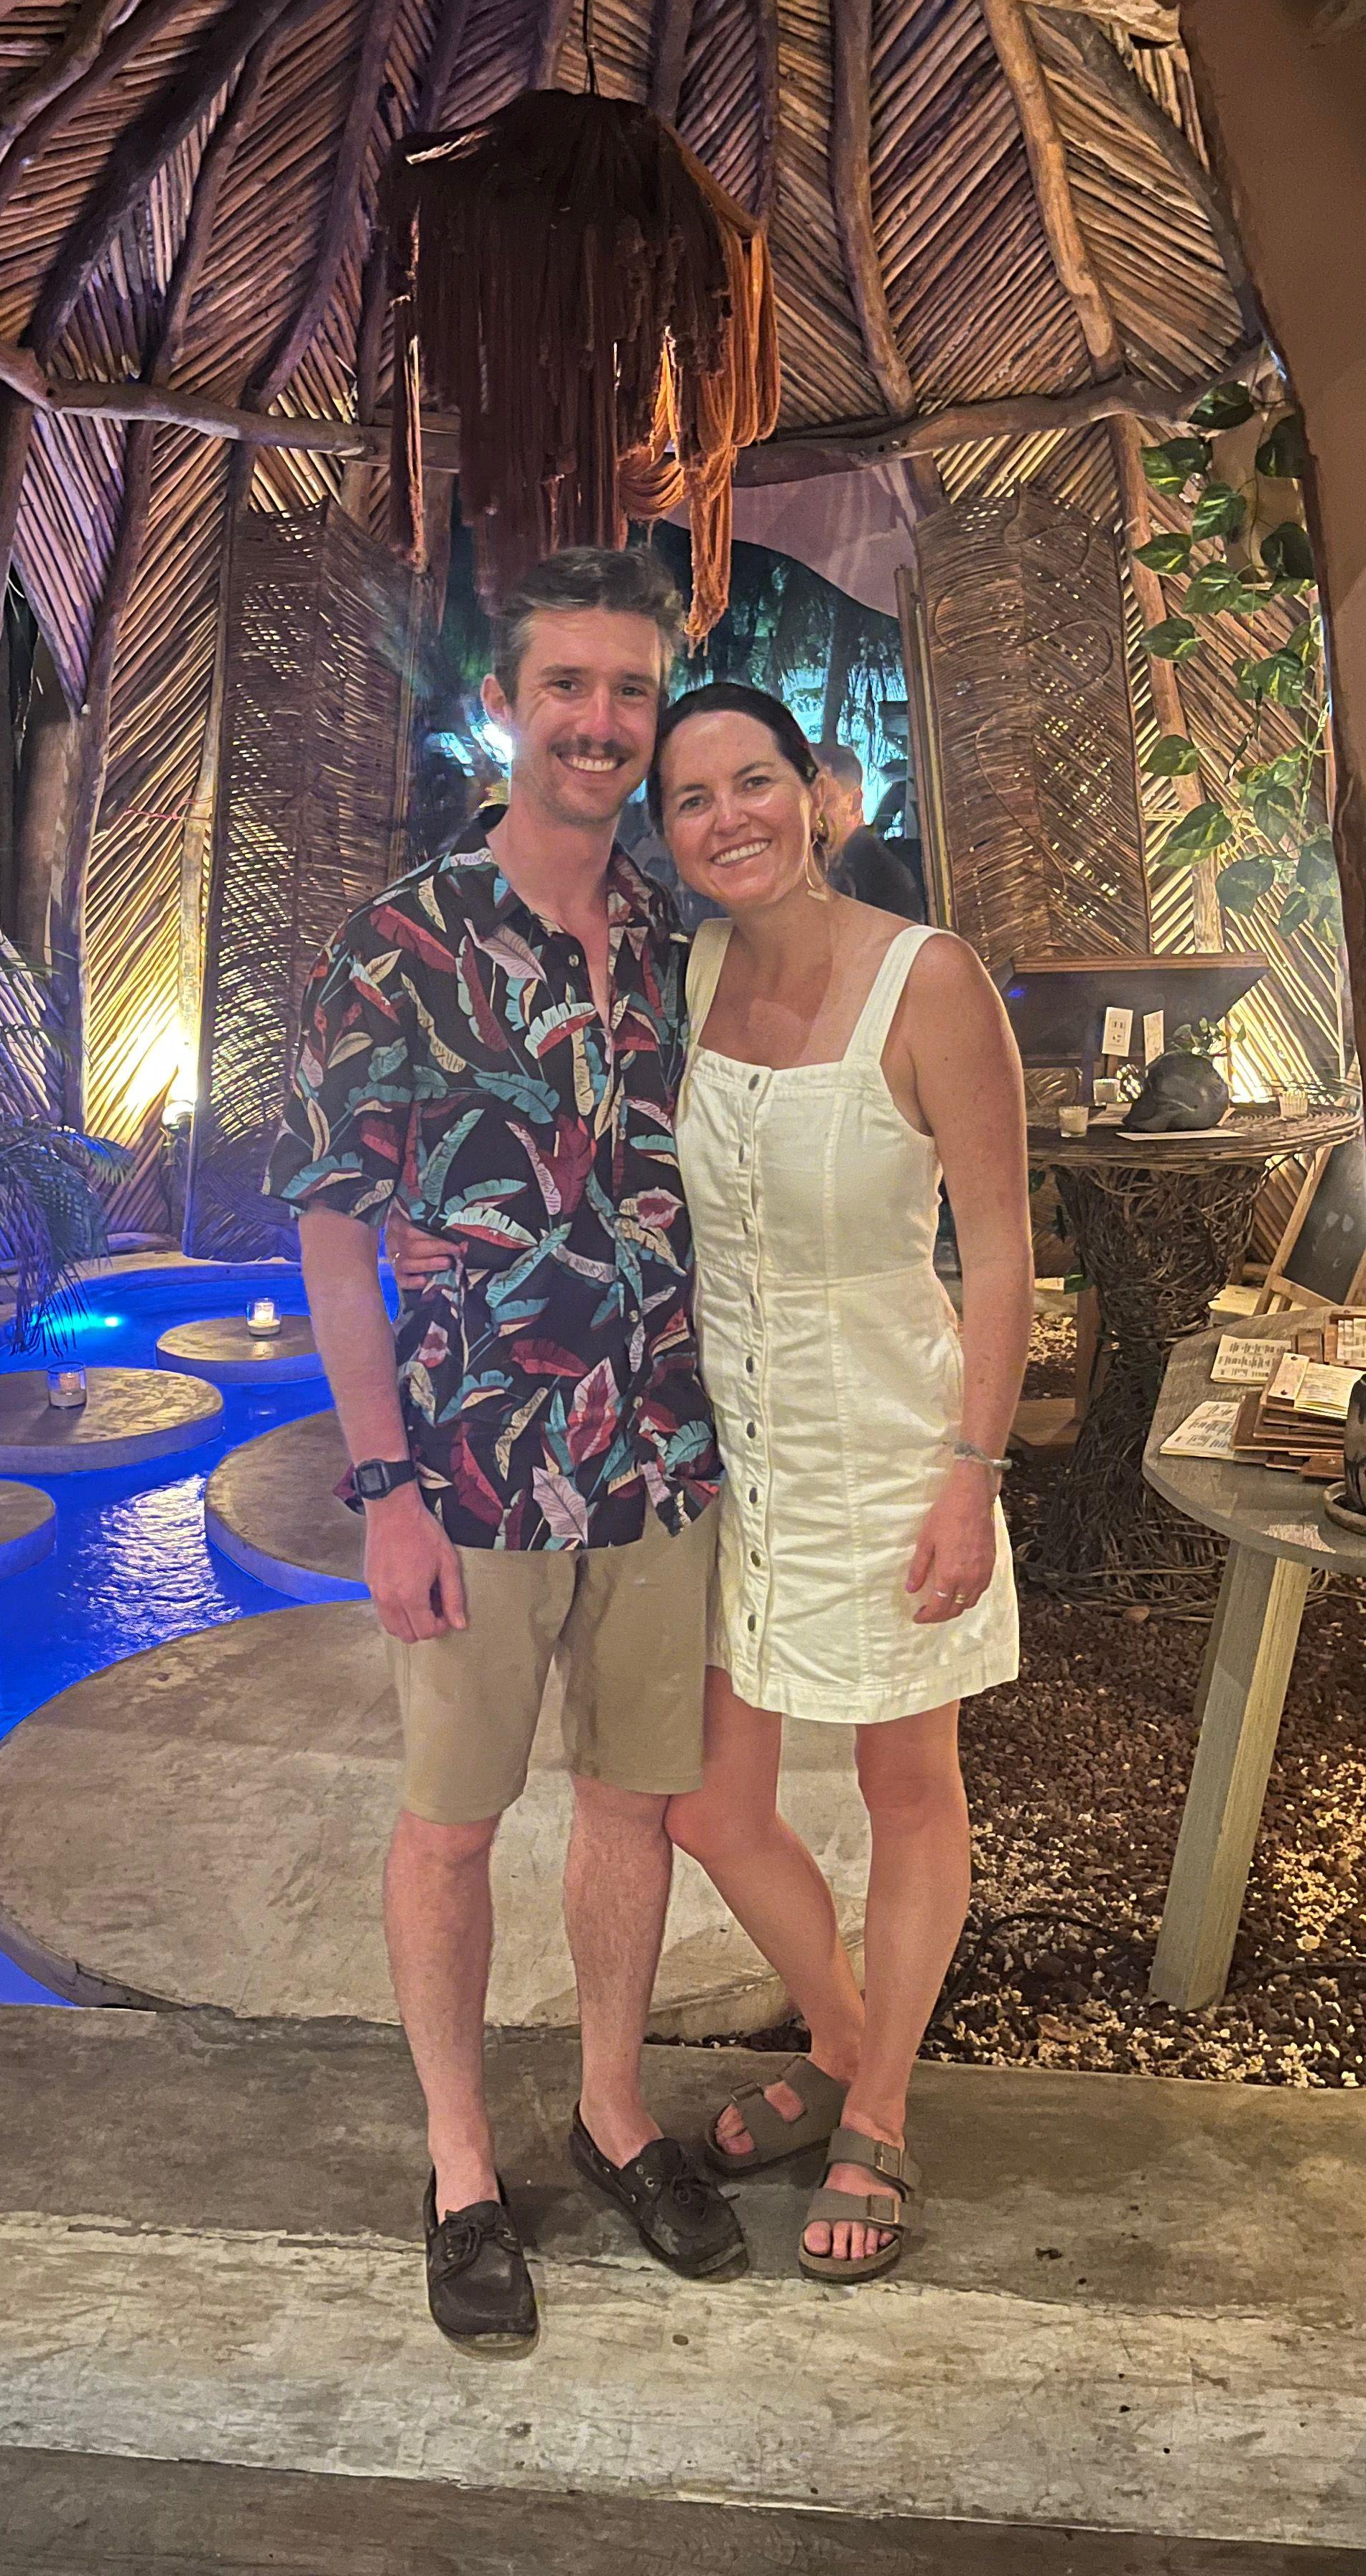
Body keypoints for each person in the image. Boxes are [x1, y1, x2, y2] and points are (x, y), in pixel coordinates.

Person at [394, 683, 1031, 2282]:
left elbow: (1005, 1250)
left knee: (907, 1784)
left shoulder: (928, 981)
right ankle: (844, 2031)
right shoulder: (681, 977)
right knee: (707, 1805)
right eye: (691, 798)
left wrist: (972, 1471)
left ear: (817, 793)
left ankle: (875, 2110)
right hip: (717, 1454)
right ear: (665, 836)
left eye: (756, 780)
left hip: (891, 1444)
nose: (728, 815)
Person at [266, 544, 746, 2356]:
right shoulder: (399, 947)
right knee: (452, 1823)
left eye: (631, 691)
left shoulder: (680, 940)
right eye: (569, 687)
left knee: (633, 1803)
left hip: (661, 1454)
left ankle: (611, 2110)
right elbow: (333, 1235)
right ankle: (462, 2161)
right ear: (504, 704)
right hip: (472, 1468)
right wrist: (382, 1485)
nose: (601, 722)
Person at [810, 741, 929, 920]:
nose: (812, 814)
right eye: (806, 802)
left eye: (826, 801)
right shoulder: (822, 865)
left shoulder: (883, 881)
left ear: (855, 802)